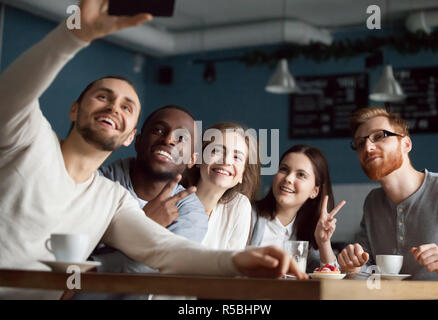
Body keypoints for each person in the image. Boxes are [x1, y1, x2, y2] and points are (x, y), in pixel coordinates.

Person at [0, 0, 307, 299]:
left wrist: (234, 262)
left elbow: (164, 249)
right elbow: (12, 94)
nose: (114, 107)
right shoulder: (29, 137)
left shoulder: (111, 198)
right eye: (103, 97)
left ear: (129, 136)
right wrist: (73, 35)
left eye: (126, 106)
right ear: (74, 110)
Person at [72, 105, 208, 300]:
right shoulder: (96, 183)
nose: (168, 139)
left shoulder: (190, 213)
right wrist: (145, 224)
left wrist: (92, 265)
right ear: (138, 141)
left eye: (181, 138)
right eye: (158, 130)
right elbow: (70, 257)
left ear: (192, 160)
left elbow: (157, 266)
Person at [337, 107, 438, 280]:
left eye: (379, 136)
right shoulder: (373, 203)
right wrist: (353, 268)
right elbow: (367, 274)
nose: (367, 147)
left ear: (406, 144)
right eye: (360, 143)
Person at [249, 144, 346, 273]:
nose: (288, 178)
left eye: (301, 175)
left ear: (314, 191)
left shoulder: (307, 235)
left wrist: (324, 243)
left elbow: (330, 278)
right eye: (284, 169)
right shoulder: (248, 213)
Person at [183, 122, 260, 250]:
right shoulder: (173, 200)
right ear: (198, 159)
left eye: (237, 157)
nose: (226, 161)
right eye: (217, 151)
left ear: (242, 175)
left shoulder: (239, 206)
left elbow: (232, 265)